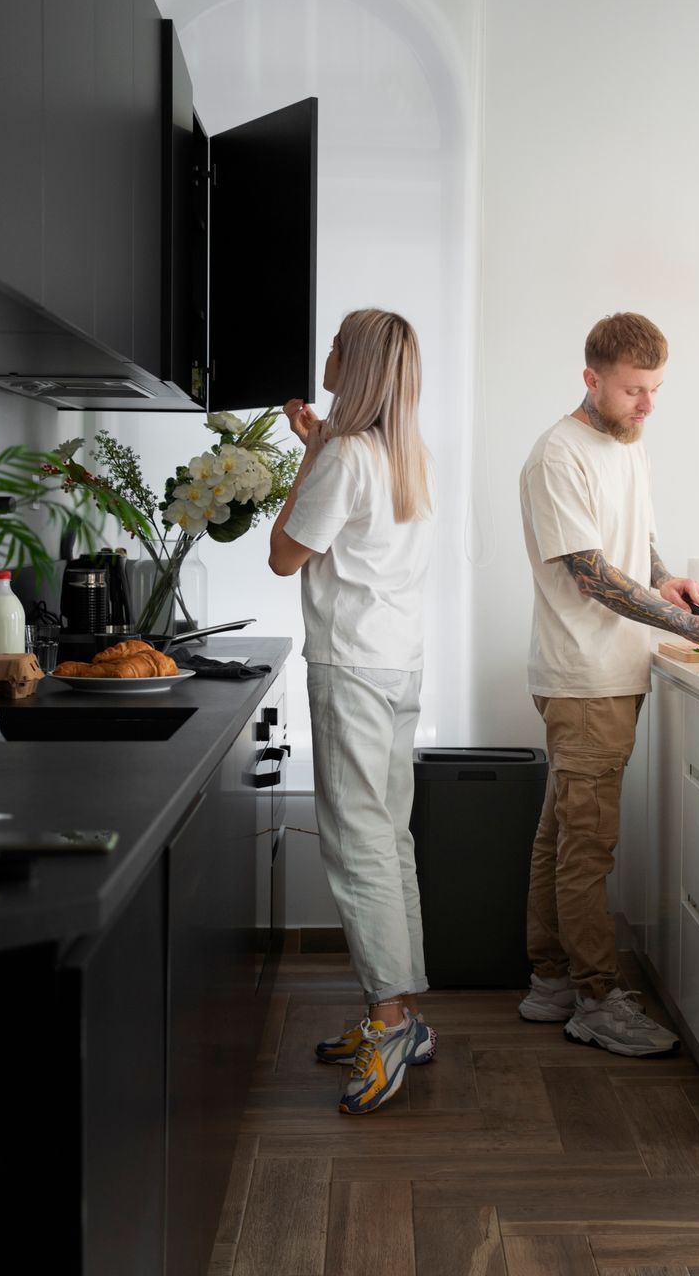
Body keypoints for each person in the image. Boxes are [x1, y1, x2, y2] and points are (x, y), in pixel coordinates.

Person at [516, 312, 699, 1056]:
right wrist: (691, 628)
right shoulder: (559, 455)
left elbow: (634, 543)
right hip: (584, 676)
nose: (647, 405)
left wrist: (667, 581)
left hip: (610, 672)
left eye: (655, 389)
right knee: (589, 846)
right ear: (591, 379)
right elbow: (590, 574)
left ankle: (551, 980)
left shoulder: (625, 444)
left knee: (562, 834)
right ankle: (594, 998)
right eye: (633, 391)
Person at [270, 308, 436, 1113]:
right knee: (388, 838)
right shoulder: (402, 452)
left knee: (355, 846)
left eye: (334, 345)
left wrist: (313, 455)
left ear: (357, 363)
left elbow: (281, 554)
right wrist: (321, 444)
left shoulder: (344, 454)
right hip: (398, 665)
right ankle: (405, 1013)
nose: (325, 353)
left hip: (352, 666)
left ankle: (389, 1021)